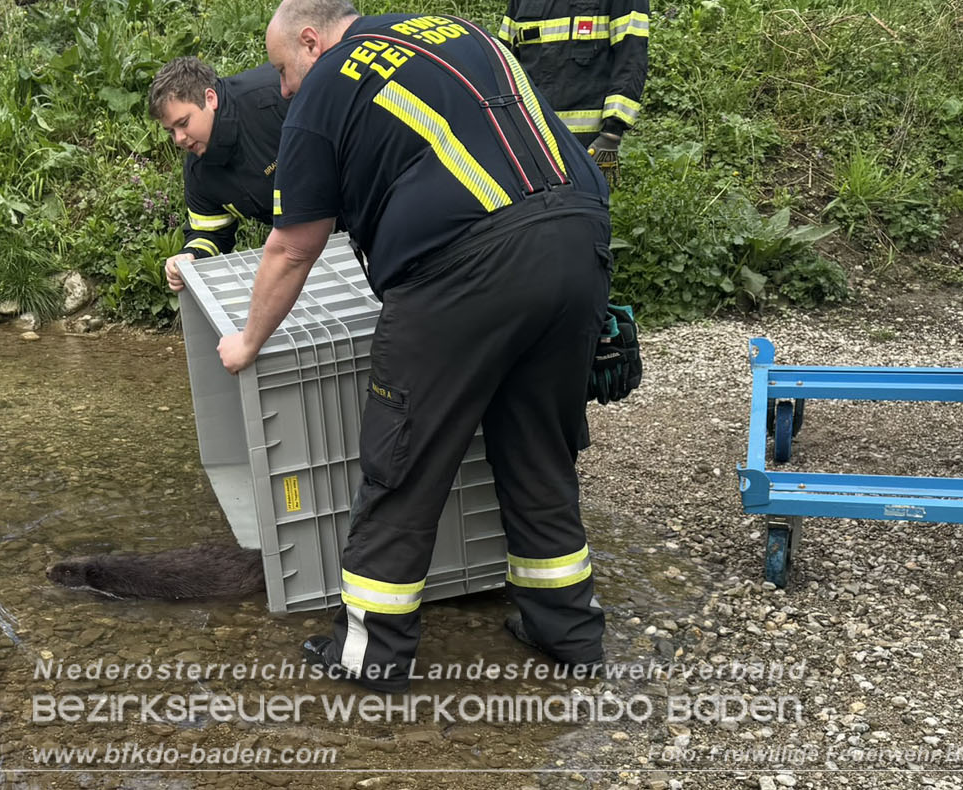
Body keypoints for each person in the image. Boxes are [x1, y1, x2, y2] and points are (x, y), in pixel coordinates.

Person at [214, 0, 612, 692]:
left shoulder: (329, 80)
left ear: (310, 41)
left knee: (401, 460)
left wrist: (247, 342)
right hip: (579, 238)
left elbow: (293, 246)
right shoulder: (459, 32)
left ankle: (372, 654)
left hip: (463, 266)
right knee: (539, 449)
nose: (282, 88)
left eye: (282, 69)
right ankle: (568, 633)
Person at [147, 57, 290, 293]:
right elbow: (211, 233)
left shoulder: (275, 96)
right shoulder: (199, 172)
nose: (179, 139)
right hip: (303, 243)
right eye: (171, 131)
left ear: (210, 98)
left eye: (184, 123)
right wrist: (191, 255)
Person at [497, 0, 649, 182]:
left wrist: (611, 134)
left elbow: (631, 61)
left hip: (586, 148)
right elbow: (501, 62)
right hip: (531, 144)